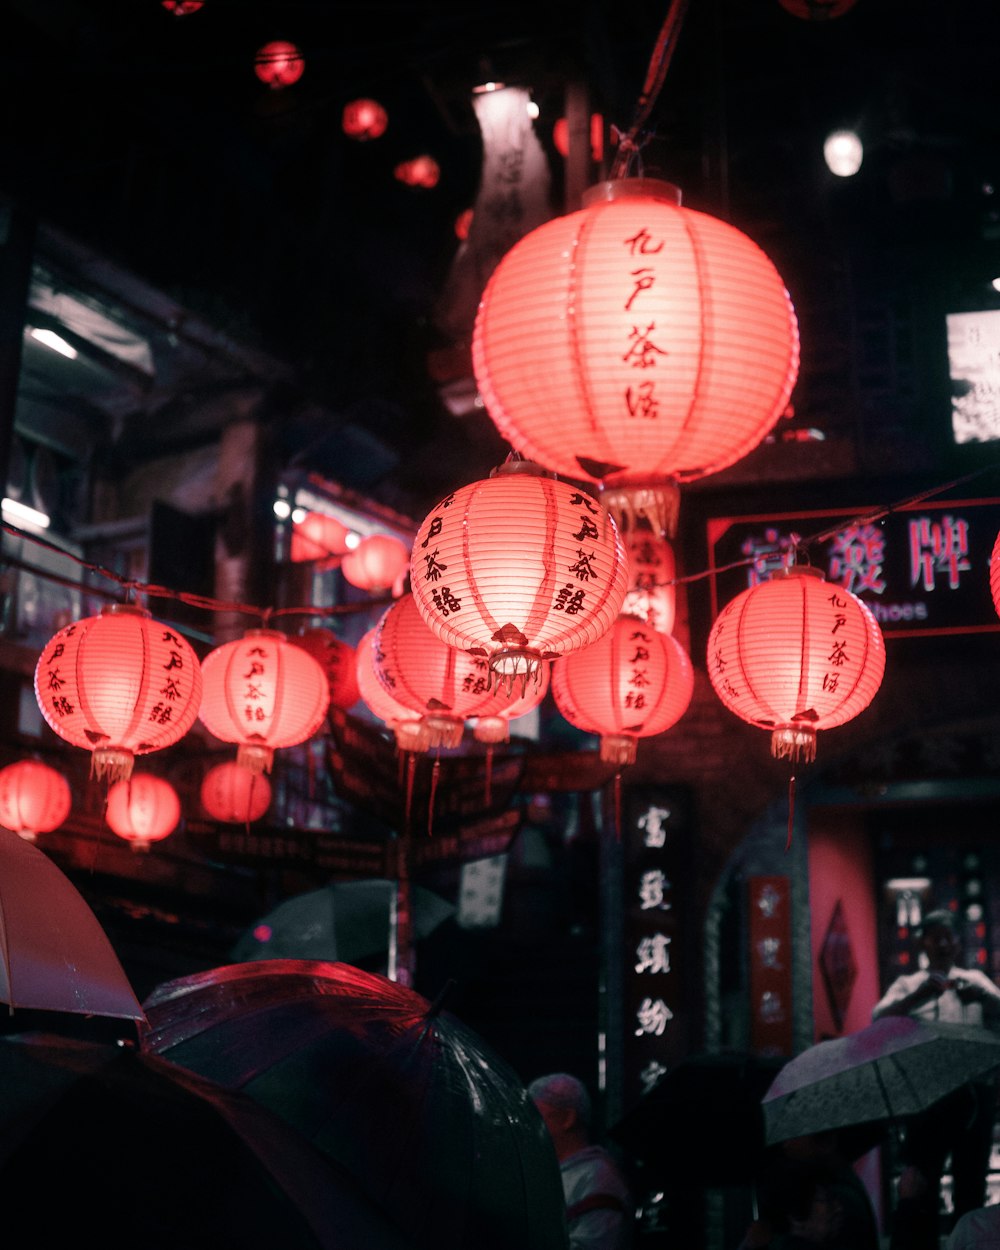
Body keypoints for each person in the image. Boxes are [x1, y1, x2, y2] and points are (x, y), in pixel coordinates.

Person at [872, 908, 1000, 1248]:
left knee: (971, 1184)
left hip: (974, 1096)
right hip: (926, 1097)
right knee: (922, 1184)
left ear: (958, 943)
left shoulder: (975, 980)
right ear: (922, 943)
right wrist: (920, 997)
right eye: (935, 936)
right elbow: (878, 1021)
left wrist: (984, 998)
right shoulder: (907, 984)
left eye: (948, 936)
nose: (942, 943)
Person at [528, 1072, 633, 1250]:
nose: (530, 1127)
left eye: (537, 1117)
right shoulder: (553, 1172)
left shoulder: (597, 1179)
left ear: (568, 1119)